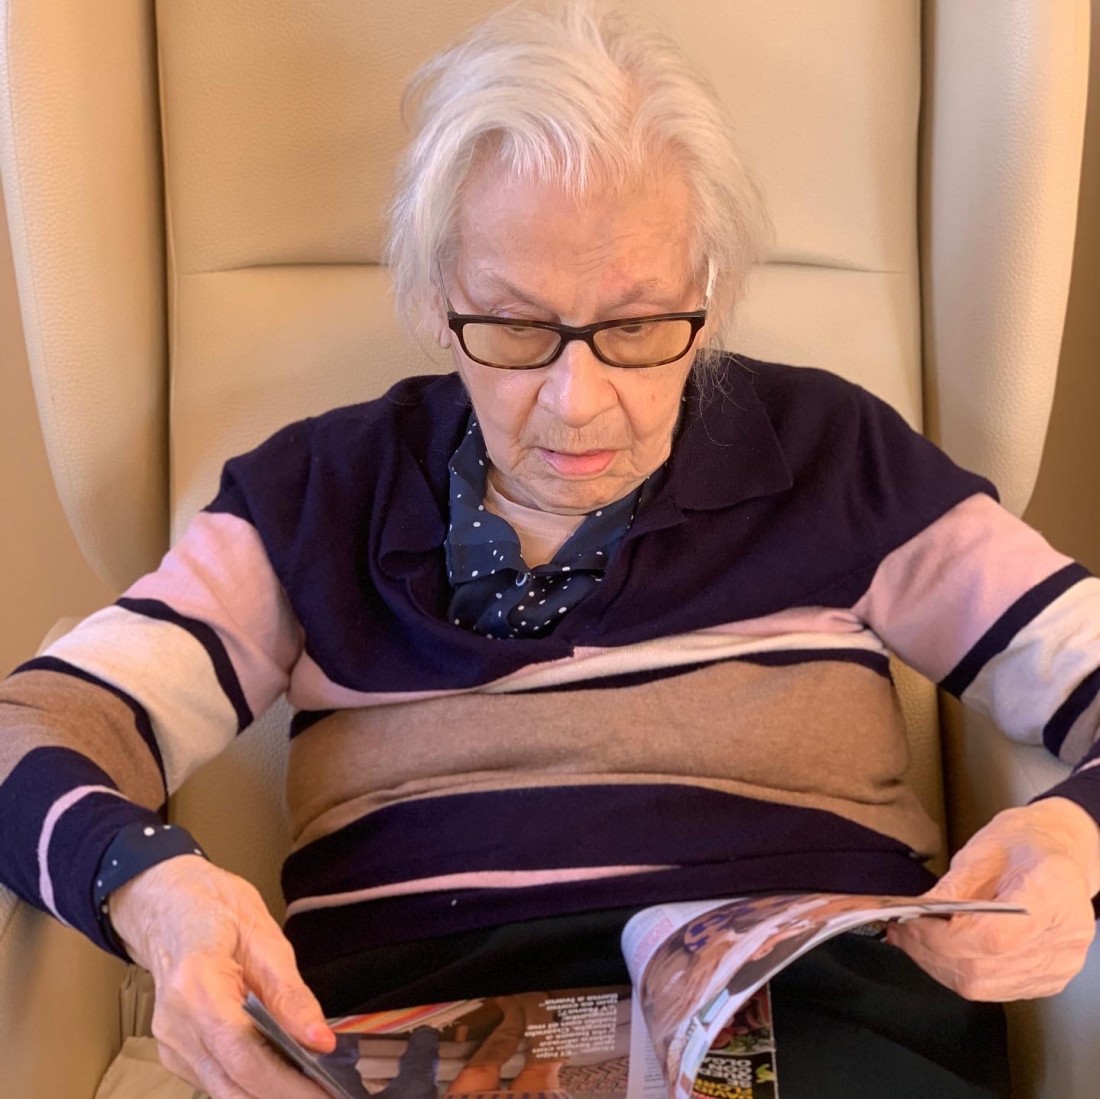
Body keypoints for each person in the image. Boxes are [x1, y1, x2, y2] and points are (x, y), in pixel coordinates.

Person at [1, 2, 1097, 1096]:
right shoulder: (317, 494)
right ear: (437, 300)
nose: (578, 403)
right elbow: (34, 726)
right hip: (421, 1042)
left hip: (808, 1034)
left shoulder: (833, 454)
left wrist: (1072, 835)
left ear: (708, 296)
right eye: (517, 327)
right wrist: (147, 886)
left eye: (636, 326)